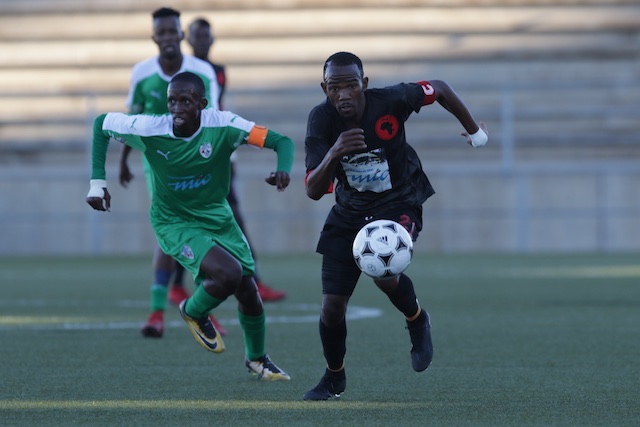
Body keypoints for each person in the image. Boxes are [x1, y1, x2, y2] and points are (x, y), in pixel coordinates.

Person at [302, 52, 488, 400]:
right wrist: (334, 152)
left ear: (364, 84)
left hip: (399, 200)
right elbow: (313, 190)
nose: (343, 94)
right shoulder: (321, 120)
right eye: (335, 88)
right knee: (331, 308)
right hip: (349, 210)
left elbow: (440, 88)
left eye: (351, 85)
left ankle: (416, 319)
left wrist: (475, 132)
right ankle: (334, 376)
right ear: (324, 89)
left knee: (384, 274)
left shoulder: (391, 100)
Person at [86, 71, 294, 381]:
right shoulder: (150, 127)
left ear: (202, 104)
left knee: (248, 291)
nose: (177, 108)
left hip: (217, 216)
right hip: (174, 221)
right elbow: (101, 123)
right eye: (172, 101)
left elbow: (281, 142)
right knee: (229, 273)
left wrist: (283, 169)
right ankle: (193, 310)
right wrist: (97, 184)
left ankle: (257, 359)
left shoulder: (224, 125)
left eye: (185, 101)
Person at [117, 7, 227, 338]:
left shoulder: (202, 71)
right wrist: (123, 160)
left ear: (181, 34)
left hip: (197, 161)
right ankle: (157, 313)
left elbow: (214, 119)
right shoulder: (142, 73)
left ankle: (199, 307)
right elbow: (132, 121)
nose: (167, 37)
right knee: (171, 230)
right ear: (154, 36)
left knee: (200, 229)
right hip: (159, 164)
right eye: (161, 32)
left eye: (172, 31)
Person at [183, 17, 287, 302]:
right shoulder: (182, 71)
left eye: (206, 36)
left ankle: (253, 279)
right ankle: (177, 284)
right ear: (188, 40)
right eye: (197, 36)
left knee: (231, 214)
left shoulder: (218, 72)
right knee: (185, 215)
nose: (202, 41)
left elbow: (215, 112)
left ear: (212, 40)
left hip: (215, 151)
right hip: (187, 154)